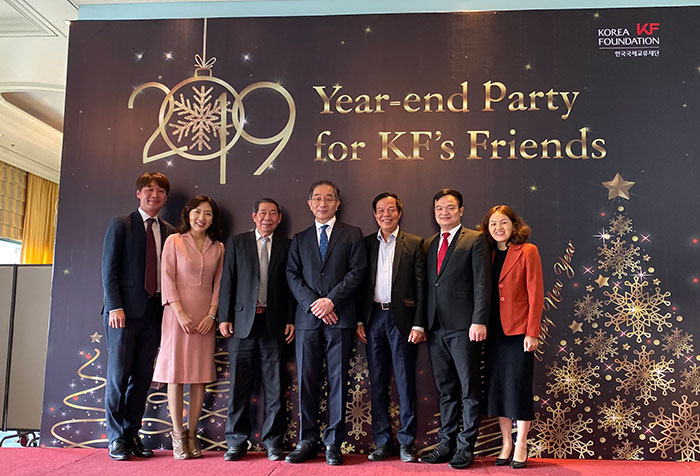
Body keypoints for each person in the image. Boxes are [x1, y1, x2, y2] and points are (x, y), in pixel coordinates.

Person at [285, 180, 367, 466]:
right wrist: (315, 304)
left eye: (329, 198)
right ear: (310, 204)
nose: (323, 203)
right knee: (306, 380)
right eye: (317, 198)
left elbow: (357, 272)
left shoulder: (352, 234)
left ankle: (334, 442)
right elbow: (292, 275)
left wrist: (331, 301)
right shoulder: (300, 238)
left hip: (340, 317)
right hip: (307, 320)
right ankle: (307, 440)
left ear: (337, 203)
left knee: (338, 381)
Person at [101, 172, 175, 461]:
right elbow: (109, 269)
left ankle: (132, 434)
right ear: (138, 193)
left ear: (166, 197)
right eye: (149, 190)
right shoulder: (121, 224)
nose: (154, 195)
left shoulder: (169, 231)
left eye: (160, 191)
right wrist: (114, 306)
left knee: (142, 378)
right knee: (118, 377)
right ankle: (115, 438)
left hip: (155, 313)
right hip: (123, 314)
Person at [218, 198, 295, 462]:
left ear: (279, 218)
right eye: (263, 213)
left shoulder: (287, 245)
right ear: (254, 216)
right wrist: (224, 317)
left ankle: (273, 442)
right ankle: (236, 441)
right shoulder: (237, 242)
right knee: (239, 386)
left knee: (275, 387)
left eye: (273, 213)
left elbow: (290, 286)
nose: (267, 217)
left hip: (274, 324)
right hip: (242, 324)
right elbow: (228, 281)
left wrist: (290, 318)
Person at [419, 188, 491, 469]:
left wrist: (479, 319)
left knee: (469, 388)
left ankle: (466, 447)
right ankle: (446, 444)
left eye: (450, 207)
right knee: (446, 389)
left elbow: (482, 283)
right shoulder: (428, 244)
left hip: (465, 327)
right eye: (439, 208)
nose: (444, 212)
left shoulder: (475, 239)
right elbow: (428, 286)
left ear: (461, 210)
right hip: (435, 327)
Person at [152, 195, 224, 460]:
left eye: (207, 213)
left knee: (199, 375)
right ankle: (177, 434)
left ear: (213, 219)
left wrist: (212, 314)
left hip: (205, 318)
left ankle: (192, 434)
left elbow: (220, 284)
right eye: (197, 212)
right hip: (176, 315)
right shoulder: (174, 241)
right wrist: (179, 312)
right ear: (188, 214)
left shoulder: (219, 247)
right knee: (176, 375)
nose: (201, 218)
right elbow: (167, 277)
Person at [356, 192, 426, 463]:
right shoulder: (365, 244)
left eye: (391, 209)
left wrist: (418, 323)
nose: (386, 214)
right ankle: (382, 442)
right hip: (373, 318)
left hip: (403, 321)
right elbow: (360, 285)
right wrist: (360, 320)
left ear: (400, 213)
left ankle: (407, 443)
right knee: (377, 383)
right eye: (381, 210)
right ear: (375, 215)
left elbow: (421, 287)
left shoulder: (415, 243)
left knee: (406, 382)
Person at [479, 205, 543, 469]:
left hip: (518, 332)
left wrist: (532, 332)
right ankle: (506, 443)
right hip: (493, 332)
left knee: (518, 387)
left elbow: (536, 294)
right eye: (493, 224)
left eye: (503, 222)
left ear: (514, 225)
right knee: (498, 390)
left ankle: (521, 443)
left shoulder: (528, 251)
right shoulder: (487, 253)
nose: (498, 228)